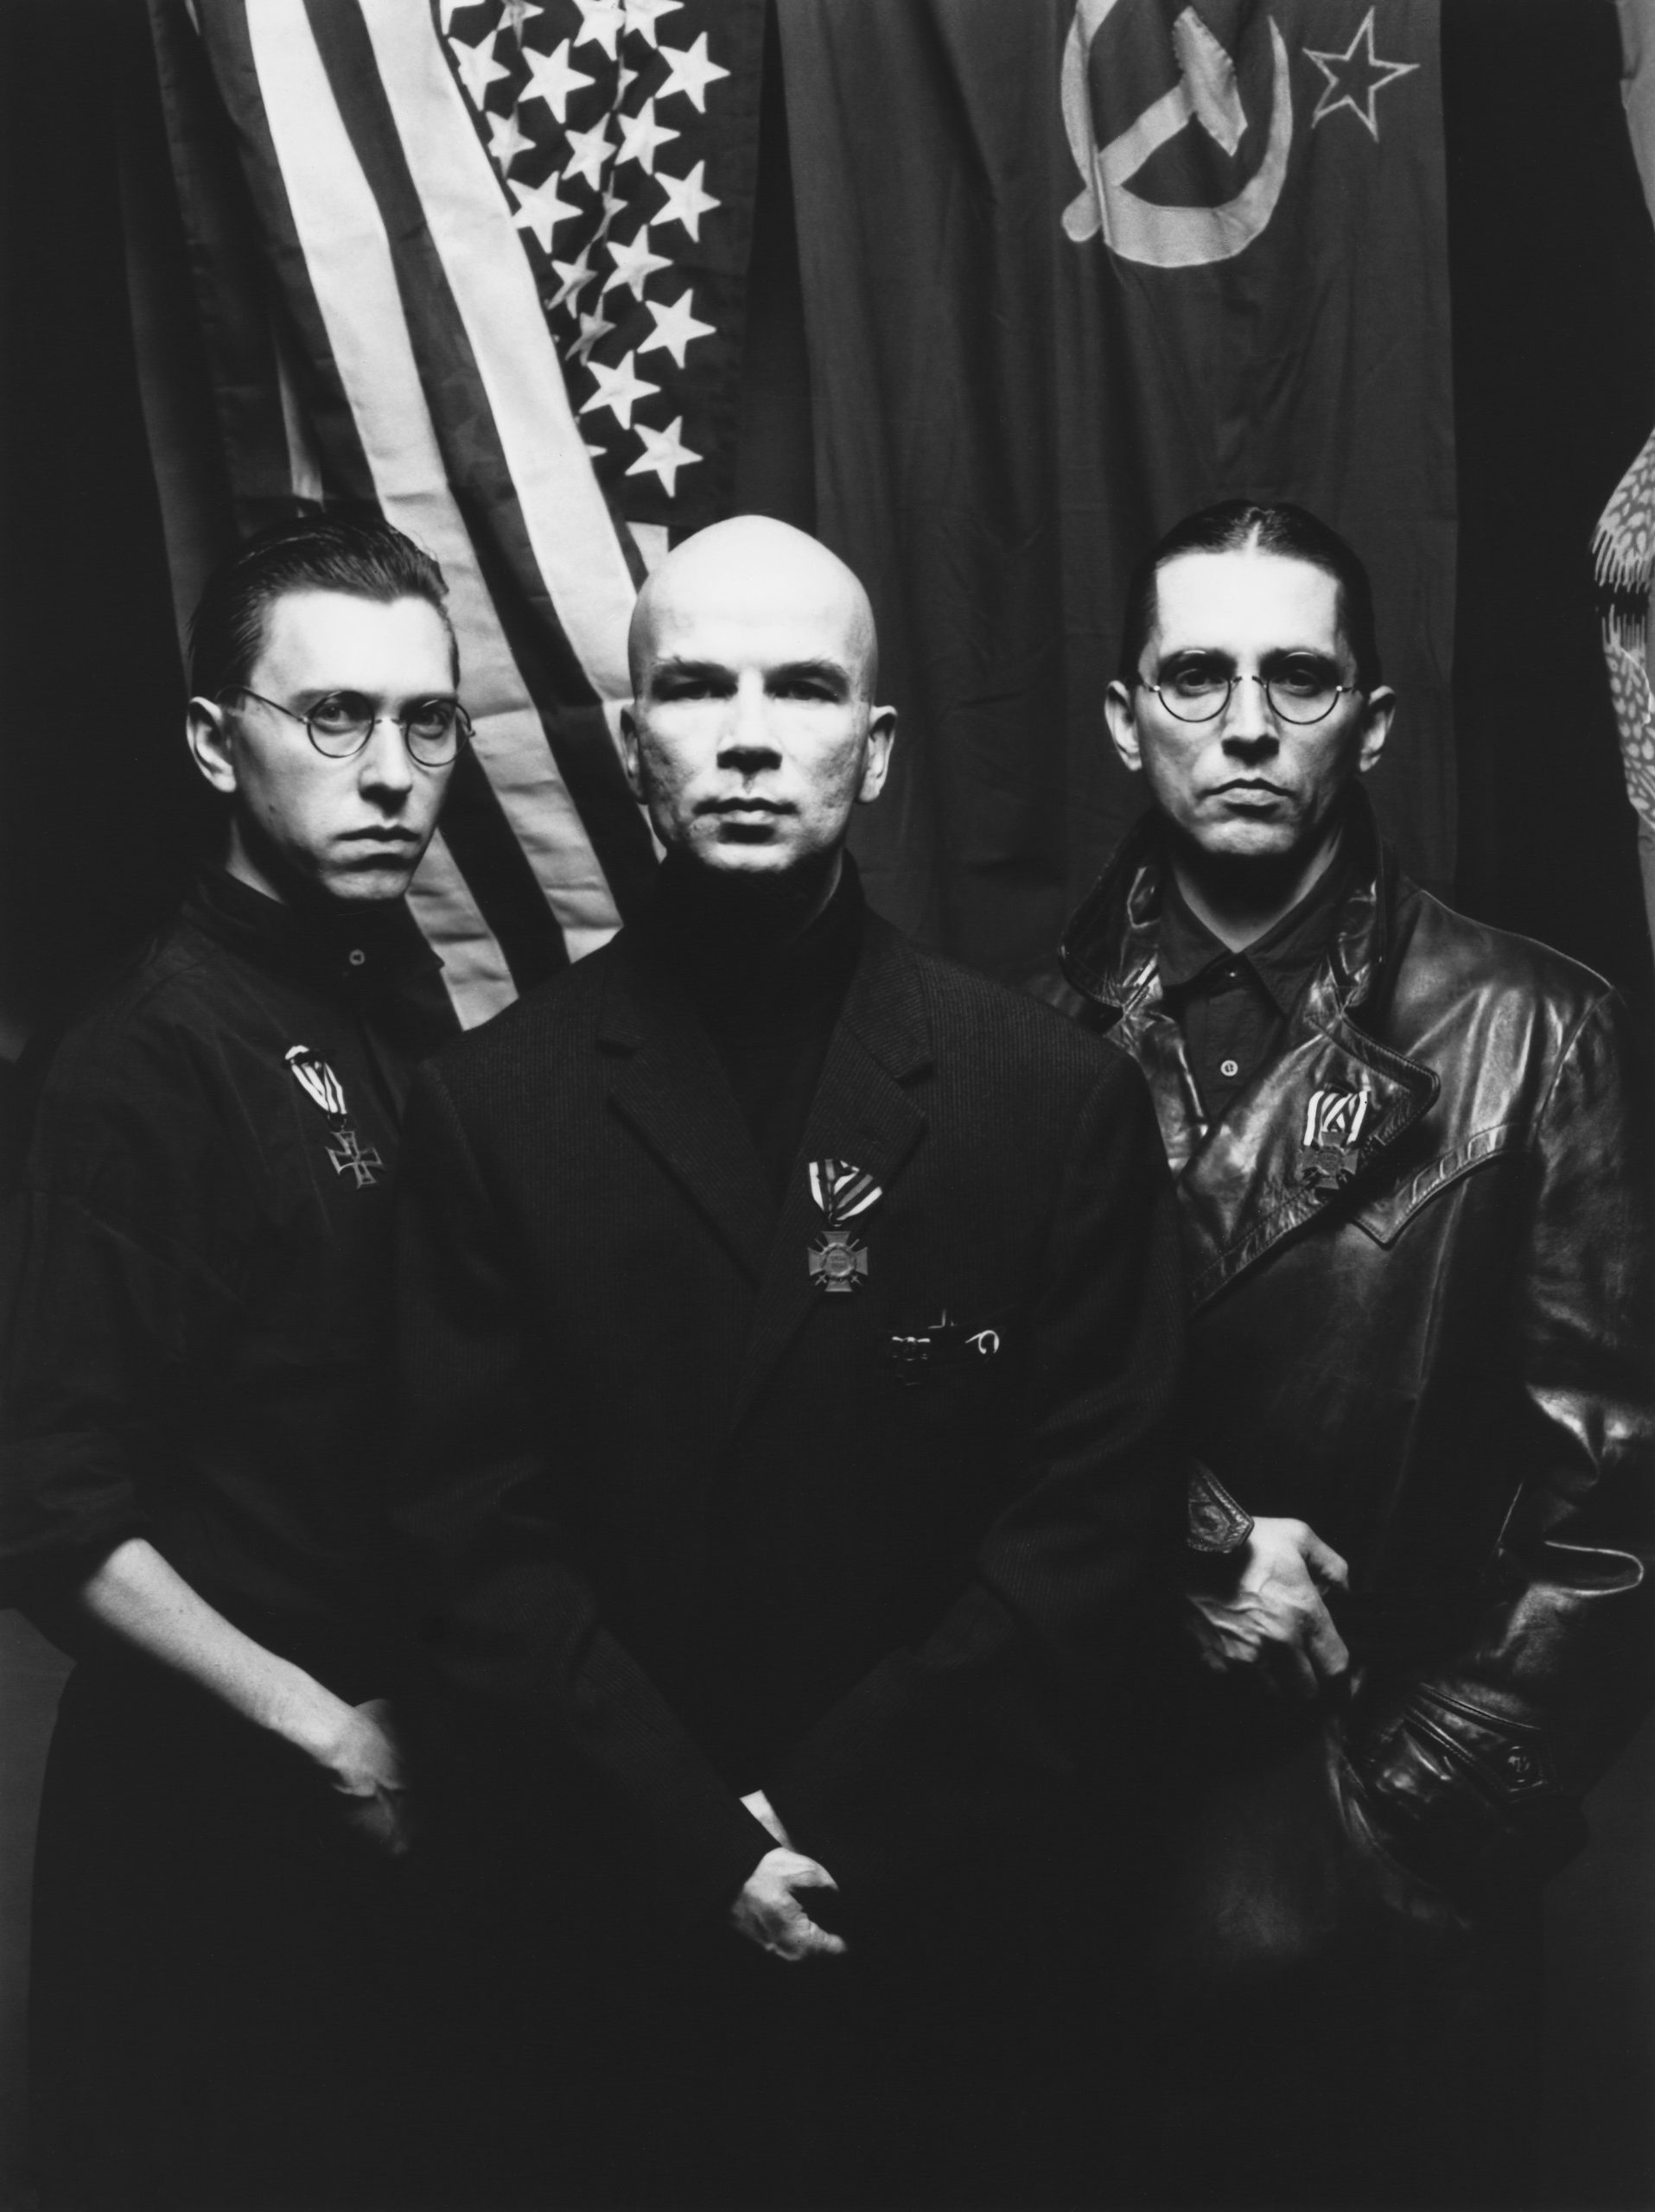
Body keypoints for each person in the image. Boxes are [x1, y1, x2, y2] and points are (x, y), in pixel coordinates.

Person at [391, 513, 1184, 2209]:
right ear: (631, 743)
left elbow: (1090, 1527)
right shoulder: (488, 1111)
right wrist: (703, 1840)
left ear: (876, 750)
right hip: (612, 1927)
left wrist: (822, 1810)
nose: (749, 736)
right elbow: (470, 1538)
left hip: (953, 1922)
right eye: (697, 689)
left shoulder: (1050, 1103)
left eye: (804, 690)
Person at [1054, 499, 1655, 2209]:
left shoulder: (1534, 1027)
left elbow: (1618, 1497)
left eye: (1298, 679)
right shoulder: (1002, 1041)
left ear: (1371, 721)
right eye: (1196, 676)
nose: (1246, 723)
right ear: (1125, 720)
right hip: (1085, 1845)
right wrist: (1178, 1541)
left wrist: (1412, 1808)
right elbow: (960, 1437)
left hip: (1391, 1877)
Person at [0, 512, 467, 2209]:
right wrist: (324, 1732)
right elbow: (48, 1510)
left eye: (427, 721)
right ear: (216, 743)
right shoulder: (146, 1058)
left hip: (396, 1811)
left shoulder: (395, 998)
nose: (390, 772)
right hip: (217, 1829)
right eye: (332, 716)